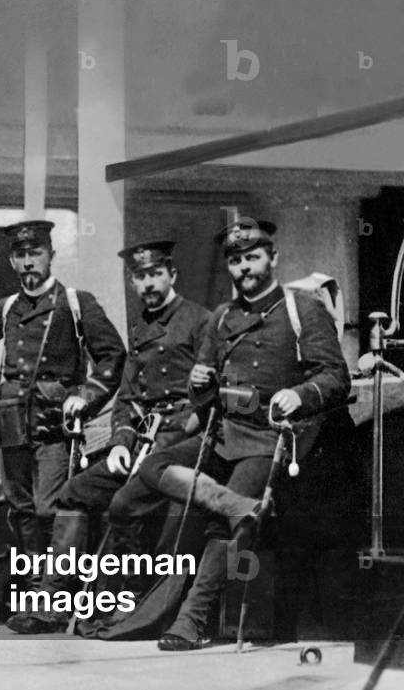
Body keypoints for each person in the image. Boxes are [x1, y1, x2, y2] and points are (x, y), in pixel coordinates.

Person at [135, 221, 350, 651]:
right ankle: (237, 506)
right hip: (223, 434)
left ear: (273, 258)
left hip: (270, 439)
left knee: (222, 524)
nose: (244, 268)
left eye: (252, 257)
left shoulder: (301, 309)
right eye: (235, 261)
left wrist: (300, 392)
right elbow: (204, 399)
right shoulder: (222, 317)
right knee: (155, 465)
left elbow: (336, 376)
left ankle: (191, 621)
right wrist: (199, 384)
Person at [5, 240, 210, 633]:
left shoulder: (200, 321)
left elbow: (207, 396)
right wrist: (120, 442)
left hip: (181, 441)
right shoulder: (141, 327)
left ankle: (124, 601)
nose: (148, 283)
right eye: (140, 277)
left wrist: (172, 434)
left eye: (155, 274)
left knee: (124, 501)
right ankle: (52, 600)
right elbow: (129, 397)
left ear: (172, 275)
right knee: (74, 492)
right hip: (140, 442)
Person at [0, 220, 126, 585]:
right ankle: (30, 589)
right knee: (20, 508)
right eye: (20, 255)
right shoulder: (7, 307)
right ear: (11, 261)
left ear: (51, 256)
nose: (28, 263)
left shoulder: (75, 302)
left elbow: (113, 356)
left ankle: (53, 593)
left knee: (48, 507)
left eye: (35, 253)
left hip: (55, 426)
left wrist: (84, 397)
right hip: (11, 422)